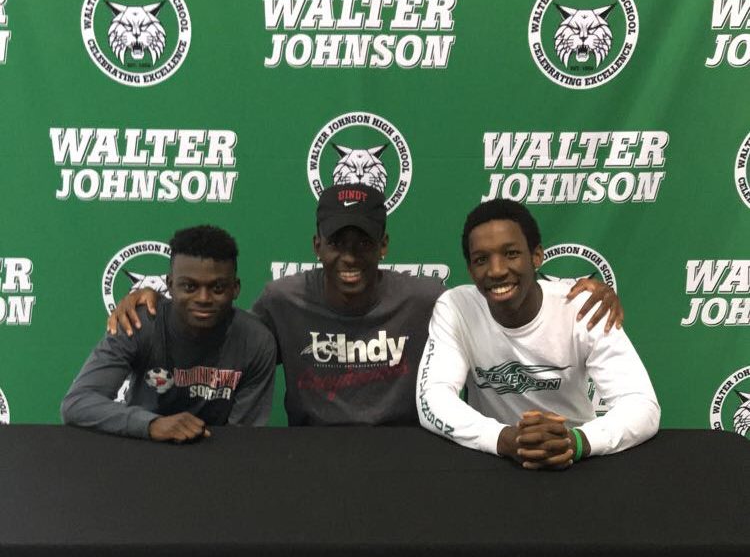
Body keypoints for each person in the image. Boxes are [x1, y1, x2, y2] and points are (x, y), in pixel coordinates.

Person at [106, 185, 623, 426]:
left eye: (363, 243)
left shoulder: (427, 301)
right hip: (310, 458)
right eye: (337, 243)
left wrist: (571, 289)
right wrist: (157, 299)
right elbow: (225, 334)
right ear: (316, 246)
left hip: (410, 457)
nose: (349, 257)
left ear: (384, 246)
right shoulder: (280, 301)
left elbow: (500, 296)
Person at [416, 199, 660, 468]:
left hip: (577, 463)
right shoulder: (456, 308)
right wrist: (504, 438)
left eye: (511, 254)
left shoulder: (583, 306)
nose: (496, 270)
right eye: (481, 259)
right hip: (495, 462)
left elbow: (642, 405)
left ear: (536, 256)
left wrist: (577, 441)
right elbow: (432, 398)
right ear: (470, 269)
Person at [62, 225, 276, 442]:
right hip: (141, 446)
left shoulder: (256, 341)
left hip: (216, 455)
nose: (203, 298)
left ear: (235, 288)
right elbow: (77, 403)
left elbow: (242, 438)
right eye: (189, 287)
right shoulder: (137, 323)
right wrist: (151, 424)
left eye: (217, 288)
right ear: (170, 284)